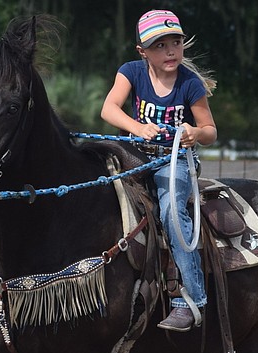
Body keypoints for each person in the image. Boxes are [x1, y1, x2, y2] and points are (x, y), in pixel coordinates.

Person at [101, 9, 217, 332]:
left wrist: (195, 134)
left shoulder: (190, 84)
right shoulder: (131, 72)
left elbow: (210, 130)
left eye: (175, 43)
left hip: (175, 160)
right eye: (160, 45)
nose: (170, 51)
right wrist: (137, 128)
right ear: (143, 52)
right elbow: (109, 108)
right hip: (134, 155)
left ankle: (192, 299)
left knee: (170, 213)